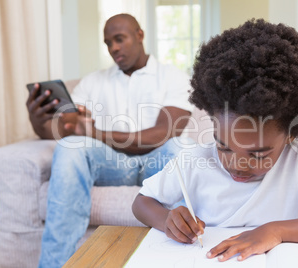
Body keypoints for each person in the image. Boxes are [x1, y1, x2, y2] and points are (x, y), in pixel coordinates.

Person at [132, 18, 298, 263]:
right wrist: (166, 219)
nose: (238, 164)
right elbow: (142, 203)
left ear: (291, 134)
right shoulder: (196, 160)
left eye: (258, 154)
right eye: (224, 147)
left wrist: (275, 231)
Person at [26, 14, 193, 267]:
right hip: (112, 164)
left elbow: (162, 134)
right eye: (108, 43)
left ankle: (186, 255)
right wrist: (38, 119)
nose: (113, 48)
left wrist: (95, 133)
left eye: (119, 39)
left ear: (139, 35)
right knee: (71, 146)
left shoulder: (174, 77)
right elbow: (65, 129)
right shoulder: (93, 82)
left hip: (158, 160)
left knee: (177, 147)